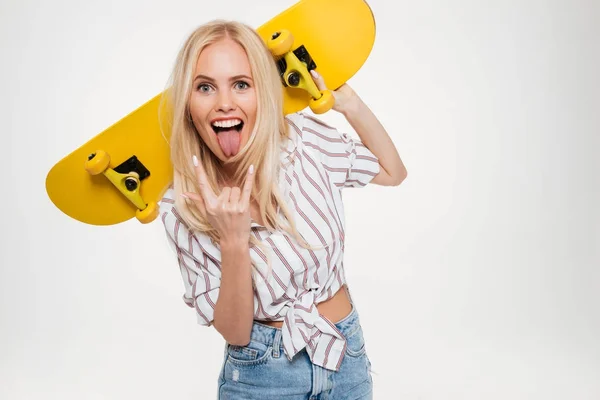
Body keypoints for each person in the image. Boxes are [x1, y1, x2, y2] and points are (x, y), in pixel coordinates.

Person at [158, 19, 407, 399]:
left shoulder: (304, 143)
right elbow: (236, 333)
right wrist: (233, 240)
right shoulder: (182, 206)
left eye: (241, 84)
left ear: (263, 91)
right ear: (188, 106)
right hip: (263, 374)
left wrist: (349, 103)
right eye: (205, 87)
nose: (224, 102)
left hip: (344, 352)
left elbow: (393, 171)